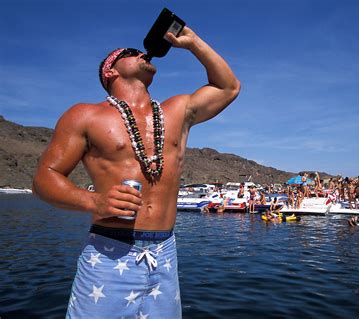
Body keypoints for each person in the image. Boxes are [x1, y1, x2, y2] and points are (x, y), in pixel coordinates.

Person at [32, 26, 240, 319]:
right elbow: (44, 178)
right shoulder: (85, 115)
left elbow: (228, 87)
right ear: (110, 71)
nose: (142, 53)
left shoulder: (177, 109)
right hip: (109, 251)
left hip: (165, 252)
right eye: (130, 53)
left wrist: (193, 43)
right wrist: (95, 202)